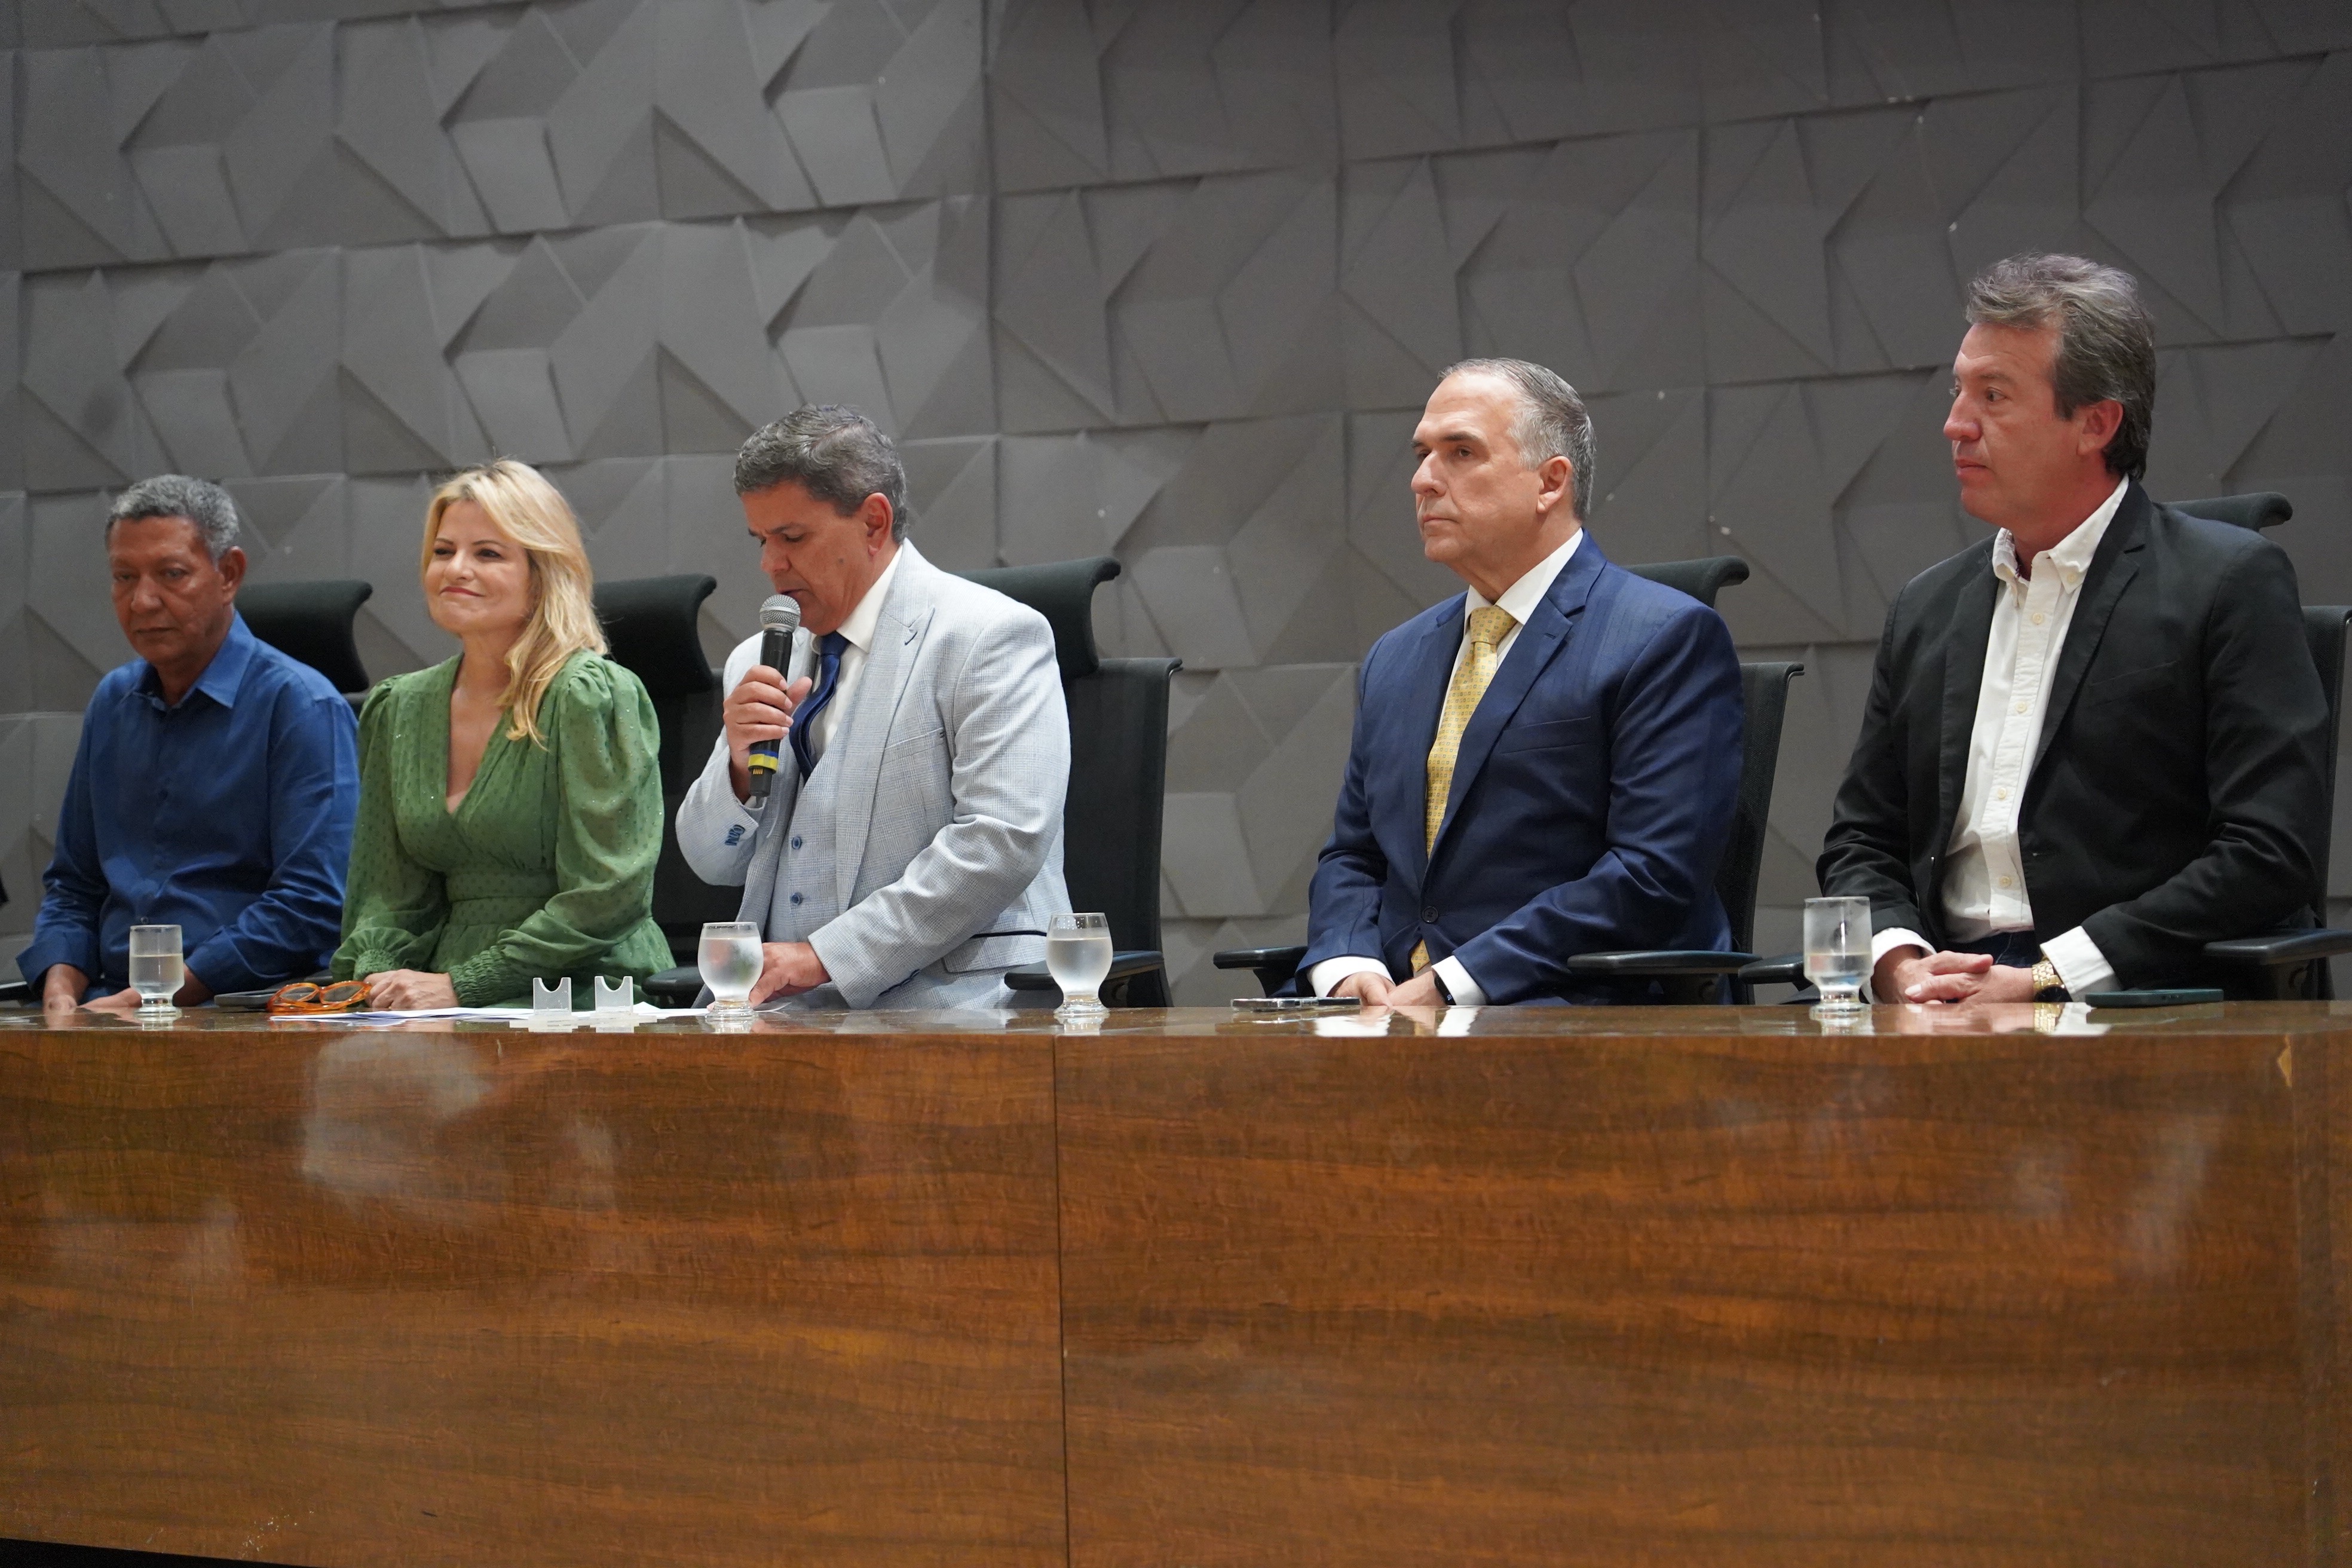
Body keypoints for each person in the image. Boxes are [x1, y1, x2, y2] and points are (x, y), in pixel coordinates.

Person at [1819, 253, 2329, 1004]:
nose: (1956, 424)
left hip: (2136, 997)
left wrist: (2050, 977)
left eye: (1994, 395)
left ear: (2096, 423)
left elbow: (2269, 850)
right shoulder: (1926, 608)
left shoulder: (2229, 583)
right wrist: (1899, 960)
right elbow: (1862, 838)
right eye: (1959, 391)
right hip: (1943, 991)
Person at [1299, 359, 1744, 1007]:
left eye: (1461, 452)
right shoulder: (1395, 657)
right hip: (1390, 1011)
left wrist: (1452, 984)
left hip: (1572, 1008)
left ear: (1550, 482)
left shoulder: (1665, 637)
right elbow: (1353, 856)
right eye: (1422, 454)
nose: (1423, 480)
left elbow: (1653, 873)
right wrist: (1347, 965)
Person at [675, 405, 1070, 1009]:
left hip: (958, 1009)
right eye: (761, 540)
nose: (770, 564)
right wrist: (736, 770)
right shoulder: (758, 659)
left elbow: (1000, 840)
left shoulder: (989, 636)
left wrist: (825, 957)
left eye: (792, 538)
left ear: (874, 522)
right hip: (776, 1013)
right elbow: (711, 863)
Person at [332, 460, 669, 1007]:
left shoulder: (589, 695)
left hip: (582, 987)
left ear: (542, 575)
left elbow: (608, 895)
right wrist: (378, 978)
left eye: (487, 554)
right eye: (444, 551)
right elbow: (386, 893)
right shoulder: (399, 707)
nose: (456, 569)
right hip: (440, 994)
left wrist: (466, 984)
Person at [19, 476, 357, 1015]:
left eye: (171, 574)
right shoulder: (113, 702)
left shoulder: (301, 706)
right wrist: (60, 995)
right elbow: (74, 886)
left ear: (229, 575)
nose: (142, 600)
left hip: (243, 1013)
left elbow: (311, 904)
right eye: (124, 577)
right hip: (110, 1006)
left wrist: (153, 997)